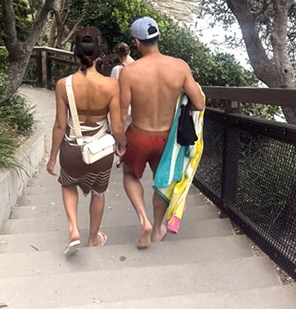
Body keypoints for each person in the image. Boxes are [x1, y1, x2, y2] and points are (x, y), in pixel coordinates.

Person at [117, 16, 205, 248]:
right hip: (168, 140)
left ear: (137, 43)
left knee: (130, 175)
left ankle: (143, 220)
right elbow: (199, 104)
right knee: (163, 183)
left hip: (139, 135)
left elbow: (120, 112)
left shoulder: (129, 72)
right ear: (158, 37)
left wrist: (120, 140)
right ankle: (157, 228)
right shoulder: (180, 67)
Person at [46, 26, 127, 255]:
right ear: (99, 52)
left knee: (68, 184)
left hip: (72, 150)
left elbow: (60, 125)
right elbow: (118, 125)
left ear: (76, 52)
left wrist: (52, 157)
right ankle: (93, 238)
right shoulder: (111, 85)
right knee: (98, 192)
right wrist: (122, 144)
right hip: (101, 153)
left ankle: (73, 230)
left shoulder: (63, 85)